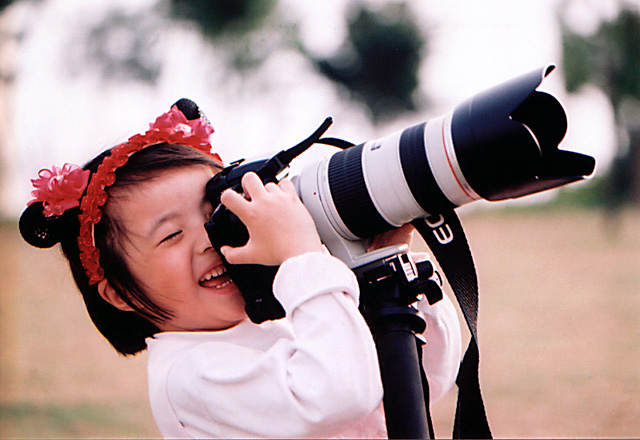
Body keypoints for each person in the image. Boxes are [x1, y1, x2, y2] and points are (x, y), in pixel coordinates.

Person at [19, 103, 462, 439]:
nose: (210, 238)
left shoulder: (279, 315)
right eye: (171, 235)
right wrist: (301, 258)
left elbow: (423, 383)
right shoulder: (189, 375)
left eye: (216, 212)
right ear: (118, 292)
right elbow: (343, 394)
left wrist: (384, 266)